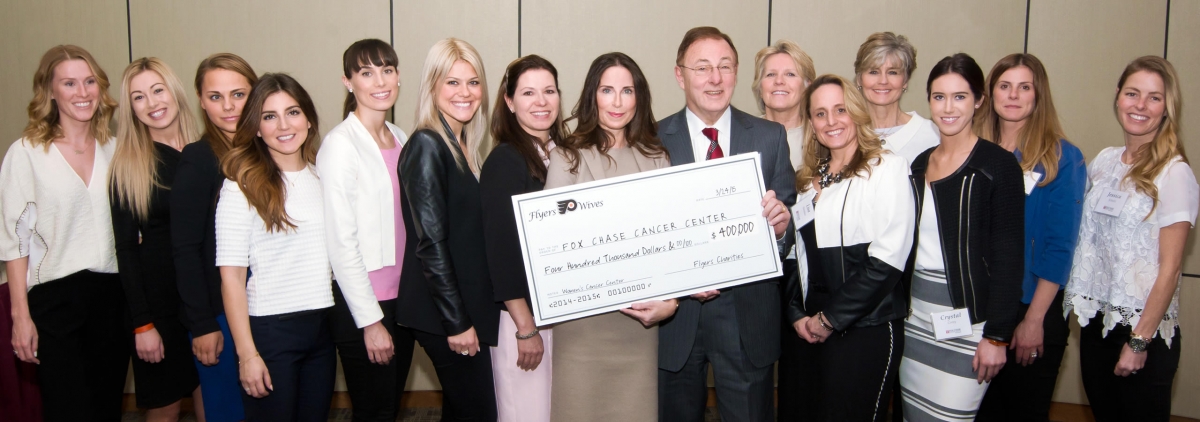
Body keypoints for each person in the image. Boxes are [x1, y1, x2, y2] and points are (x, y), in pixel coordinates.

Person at [656, 26, 795, 422]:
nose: (715, 79)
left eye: (725, 67)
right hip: (676, 318)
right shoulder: (653, 139)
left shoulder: (770, 137)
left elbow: (786, 224)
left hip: (746, 315)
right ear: (680, 75)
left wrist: (781, 229)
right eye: (702, 68)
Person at [544, 52, 678, 422]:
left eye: (626, 91)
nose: (617, 102)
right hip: (583, 326)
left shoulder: (656, 158)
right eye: (607, 90)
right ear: (593, 96)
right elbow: (554, 247)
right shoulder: (567, 157)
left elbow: (671, 242)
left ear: (639, 97)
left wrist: (671, 302)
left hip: (639, 323)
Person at [1064, 56, 1197, 422]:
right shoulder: (1105, 162)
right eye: (1132, 93)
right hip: (1097, 327)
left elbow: (1169, 271)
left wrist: (1139, 342)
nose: (1140, 105)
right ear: (1118, 97)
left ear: (1167, 109)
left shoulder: (1175, 173)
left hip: (1143, 334)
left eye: (1154, 98)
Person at [1, 44, 128, 421]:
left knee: (106, 408)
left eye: (89, 81)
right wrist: (20, 317)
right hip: (53, 301)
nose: (82, 92)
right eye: (69, 83)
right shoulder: (26, 153)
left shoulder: (116, 148)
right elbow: (14, 239)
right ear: (50, 91)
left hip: (112, 297)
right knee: (68, 410)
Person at [900, 53, 1024, 421]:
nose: (948, 107)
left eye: (960, 96)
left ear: (979, 100)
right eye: (939, 97)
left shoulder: (997, 166)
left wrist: (997, 336)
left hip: (971, 327)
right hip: (917, 321)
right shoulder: (920, 163)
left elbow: (1008, 257)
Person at [784, 74, 914, 421]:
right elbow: (797, 256)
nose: (831, 121)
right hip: (810, 330)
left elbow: (888, 260)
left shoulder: (887, 168)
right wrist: (797, 313)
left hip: (866, 327)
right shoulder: (808, 181)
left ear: (856, 112)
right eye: (820, 113)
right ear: (811, 122)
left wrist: (831, 319)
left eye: (840, 109)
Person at [216, 73, 335, 421]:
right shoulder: (240, 188)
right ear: (256, 127)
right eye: (269, 116)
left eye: (293, 112)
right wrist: (247, 354)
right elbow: (232, 280)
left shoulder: (322, 177)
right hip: (270, 333)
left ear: (309, 120)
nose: (283, 125)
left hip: (321, 329)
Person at [975, 53, 1087, 422]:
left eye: (1025, 87)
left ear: (1039, 96)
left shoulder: (1061, 158)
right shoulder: (972, 151)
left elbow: (1060, 247)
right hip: (977, 310)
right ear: (990, 93)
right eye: (1004, 86)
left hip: (1030, 309)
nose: (1013, 95)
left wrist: (1034, 319)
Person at [397, 38, 499, 421]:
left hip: (460, 307)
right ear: (432, 86)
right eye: (452, 82)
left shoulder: (463, 147)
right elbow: (431, 244)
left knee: (461, 410)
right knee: (479, 411)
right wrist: (457, 323)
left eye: (473, 82)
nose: (465, 93)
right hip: (443, 316)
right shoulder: (427, 144)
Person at [318, 38, 413, 422]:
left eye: (387, 70)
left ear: (398, 76)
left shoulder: (401, 137)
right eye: (366, 72)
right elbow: (340, 242)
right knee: (373, 411)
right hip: (364, 304)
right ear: (348, 81)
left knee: (389, 407)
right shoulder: (340, 145)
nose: (380, 81)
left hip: (402, 298)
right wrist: (370, 322)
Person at [110, 57, 202, 421]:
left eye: (158, 90)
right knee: (164, 407)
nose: (152, 103)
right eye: (138, 97)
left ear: (175, 92)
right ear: (131, 109)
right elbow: (126, 250)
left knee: (213, 398)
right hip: (159, 308)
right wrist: (142, 324)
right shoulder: (129, 166)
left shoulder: (206, 151)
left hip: (205, 301)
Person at [480, 54, 568, 422]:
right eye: (528, 93)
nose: (541, 101)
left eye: (549, 91)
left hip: (555, 315)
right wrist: (525, 328)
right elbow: (501, 252)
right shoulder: (506, 160)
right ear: (509, 101)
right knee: (526, 413)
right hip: (522, 318)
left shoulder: (561, 155)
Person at [172, 52, 257, 422]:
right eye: (215, 96)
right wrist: (202, 325)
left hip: (264, 309)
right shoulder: (198, 158)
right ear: (201, 101)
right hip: (220, 314)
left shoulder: (268, 150)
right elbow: (186, 250)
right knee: (230, 412)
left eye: (238, 94)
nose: (228, 107)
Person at [750, 39, 815, 422]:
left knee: (799, 381)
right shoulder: (740, 136)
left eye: (790, 73)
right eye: (770, 74)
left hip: (806, 278)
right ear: (758, 85)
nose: (779, 81)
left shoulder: (826, 134)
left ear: (806, 83)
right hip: (757, 274)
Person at [853, 32, 939, 164]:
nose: (883, 81)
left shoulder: (931, 134)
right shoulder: (846, 134)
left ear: (905, 80)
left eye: (892, 72)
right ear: (859, 79)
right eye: (873, 72)